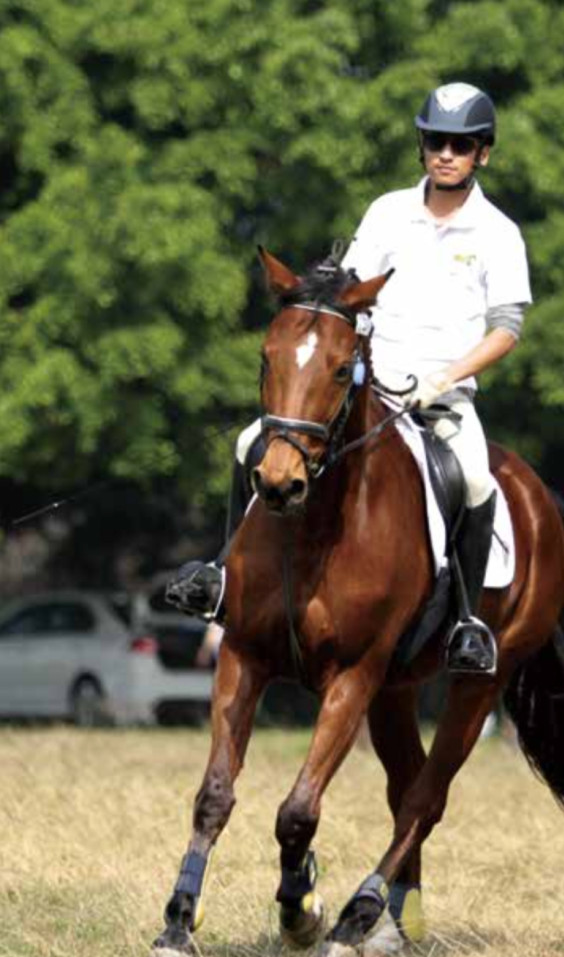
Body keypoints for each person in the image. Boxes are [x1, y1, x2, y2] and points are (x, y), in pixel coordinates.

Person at [167, 82, 532, 676]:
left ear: (482, 154)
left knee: (474, 480)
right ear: (422, 146)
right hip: (364, 387)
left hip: (443, 397)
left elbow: (506, 330)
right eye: (436, 142)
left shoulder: (498, 233)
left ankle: (466, 622)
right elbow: (350, 288)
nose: (446, 154)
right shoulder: (388, 211)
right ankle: (222, 574)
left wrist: (445, 378)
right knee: (248, 444)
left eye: (460, 146)